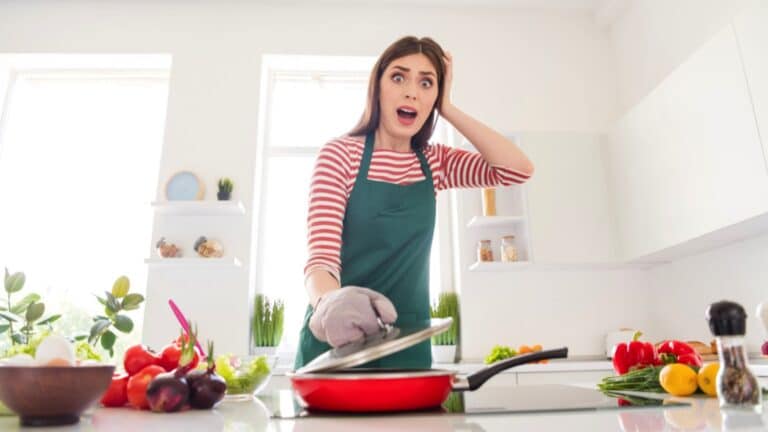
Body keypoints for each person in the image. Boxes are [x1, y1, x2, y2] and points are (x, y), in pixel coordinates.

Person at [294, 36, 534, 369]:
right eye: (398, 77)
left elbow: (517, 170)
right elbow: (321, 259)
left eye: (426, 83)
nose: (411, 92)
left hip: (406, 343)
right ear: (377, 86)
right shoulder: (340, 155)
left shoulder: (435, 163)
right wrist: (329, 304)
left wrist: (448, 109)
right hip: (336, 343)